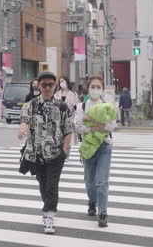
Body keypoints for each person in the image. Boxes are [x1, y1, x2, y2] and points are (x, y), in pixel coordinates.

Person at [19, 71, 73, 234]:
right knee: (43, 184)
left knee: (51, 185)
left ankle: (50, 214)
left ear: (55, 85)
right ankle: (47, 207)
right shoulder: (31, 105)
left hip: (56, 154)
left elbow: (68, 129)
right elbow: (25, 121)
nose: (48, 87)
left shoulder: (62, 106)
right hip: (37, 153)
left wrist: (64, 150)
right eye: (44, 85)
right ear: (39, 86)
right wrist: (23, 129)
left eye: (51, 84)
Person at [75, 75, 117, 228]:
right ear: (88, 88)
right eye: (93, 87)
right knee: (89, 182)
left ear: (103, 89)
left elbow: (111, 127)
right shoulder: (82, 106)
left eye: (98, 87)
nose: (95, 90)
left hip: (104, 146)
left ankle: (103, 212)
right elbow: (78, 127)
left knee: (102, 182)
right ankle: (92, 201)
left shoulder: (108, 106)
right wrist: (98, 127)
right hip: (88, 146)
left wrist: (91, 121)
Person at [54, 75, 80, 158]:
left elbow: (77, 107)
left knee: (68, 136)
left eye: (63, 81)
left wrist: (74, 106)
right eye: (60, 81)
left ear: (67, 82)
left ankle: (66, 155)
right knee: (59, 137)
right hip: (58, 118)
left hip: (69, 118)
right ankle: (60, 154)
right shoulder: (57, 93)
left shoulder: (73, 93)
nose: (61, 83)